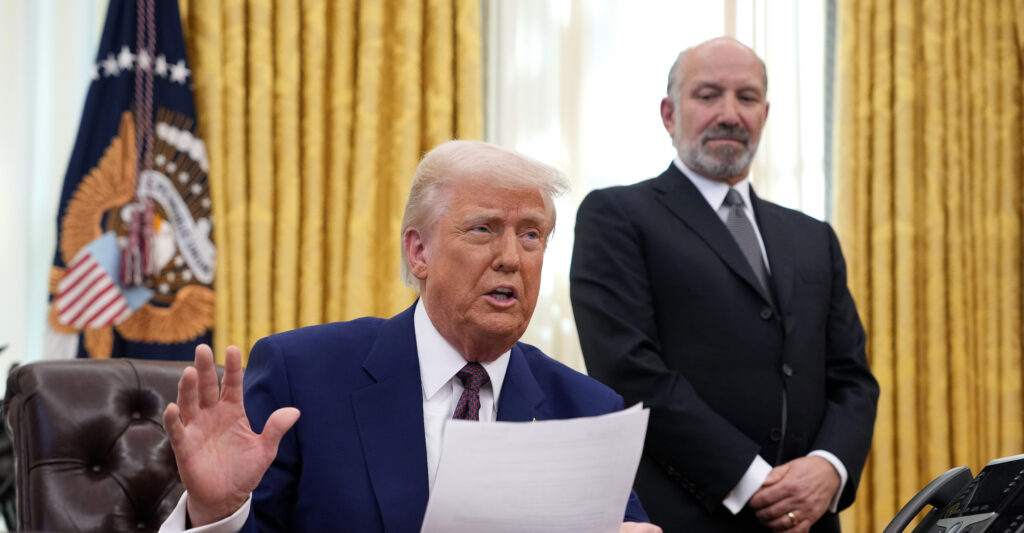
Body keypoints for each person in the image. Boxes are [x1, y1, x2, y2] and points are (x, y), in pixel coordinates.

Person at [158, 140, 661, 533]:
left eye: (531, 234)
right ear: (419, 253)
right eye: (484, 229)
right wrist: (215, 514)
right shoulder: (303, 377)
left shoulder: (587, 410)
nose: (511, 257)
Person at [569, 37, 879, 533]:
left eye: (747, 97)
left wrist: (830, 466)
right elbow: (629, 372)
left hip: (809, 518)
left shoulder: (813, 236)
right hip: (685, 516)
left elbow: (852, 379)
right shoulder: (616, 216)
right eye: (708, 95)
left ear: (764, 114)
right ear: (669, 114)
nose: (730, 114)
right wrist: (751, 478)